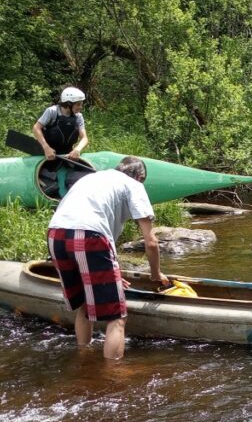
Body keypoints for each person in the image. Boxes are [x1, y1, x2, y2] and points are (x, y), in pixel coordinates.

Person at [47, 156, 168, 359]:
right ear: (140, 177)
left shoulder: (93, 178)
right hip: (88, 237)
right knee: (117, 317)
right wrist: (155, 274)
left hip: (56, 235)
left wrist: (113, 275)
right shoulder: (134, 185)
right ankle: (112, 377)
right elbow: (151, 242)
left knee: (86, 303)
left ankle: (83, 358)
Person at [33, 86, 89, 162]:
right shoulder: (52, 111)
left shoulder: (78, 116)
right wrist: (46, 147)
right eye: (78, 104)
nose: (81, 107)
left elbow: (84, 138)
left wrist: (77, 149)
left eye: (81, 104)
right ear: (69, 104)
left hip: (67, 154)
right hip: (47, 151)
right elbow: (36, 128)